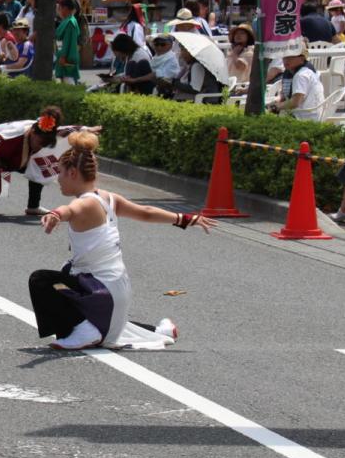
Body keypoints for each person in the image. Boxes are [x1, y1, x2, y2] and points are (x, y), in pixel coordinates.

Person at [29, 130, 214, 350]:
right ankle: (156, 331)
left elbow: (69, 210)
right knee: (67, 276)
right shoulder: (108, 198)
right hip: (116, 291)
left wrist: (55, 214)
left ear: (72, 172)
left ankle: (85, 330)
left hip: (100, 292)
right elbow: (145, 213)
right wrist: (184, 219)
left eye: (60, 172)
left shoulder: (85, 203)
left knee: (40, 280)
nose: (57, 178)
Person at [0, 108, 77, 221]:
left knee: (38, 166)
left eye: (44, 145)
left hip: (12, 151)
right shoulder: (16, 132)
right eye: (39, 143)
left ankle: (33, 206)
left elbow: (71, 129)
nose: (40, 147)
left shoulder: (47, 131)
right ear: (32, 132)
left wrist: (86, 131)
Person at [270, 41, 324, 121]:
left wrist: (276, 107)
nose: (286, 60)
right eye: (284, 56)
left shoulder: (301, 76)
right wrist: (277, 99)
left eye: (291, 56)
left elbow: (295, 102)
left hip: (305, 118)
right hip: (307, 114)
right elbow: (284, 92)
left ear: (302, 59)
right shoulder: (292, 72)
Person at [54, 0, 81, 84]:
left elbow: (68, 41)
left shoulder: (70, 22)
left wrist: (63, 56)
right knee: (64, 80)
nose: (58, 10)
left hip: (67, 56)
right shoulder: (66, 20)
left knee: (68, 80)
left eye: (59, 8)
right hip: (62, 53)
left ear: (65, 8)